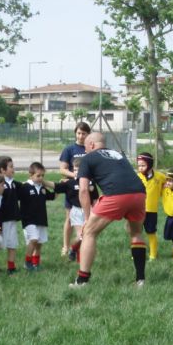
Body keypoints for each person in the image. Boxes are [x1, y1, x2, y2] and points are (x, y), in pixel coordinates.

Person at [71, 132, 147, 287]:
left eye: (85, 147)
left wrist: (87, 219)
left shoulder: (88, 158)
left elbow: (84, 190)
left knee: (89, 233)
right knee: (136, 233)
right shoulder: (118, 154)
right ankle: (140, 280)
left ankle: (82, 280)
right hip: (139, 193)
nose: (85, 151)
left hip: (116, 194)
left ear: (91, 145)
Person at [53, 157, 99, 262]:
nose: (76, 172)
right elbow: (56, 186)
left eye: (79, 169)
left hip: (90, 211)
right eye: (74, 169)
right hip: (76, 212)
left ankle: (75, 252)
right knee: (81, 236)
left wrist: (95, 211)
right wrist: (43, 182)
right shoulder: (70, 183)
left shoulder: (90, 183)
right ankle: (76, 254)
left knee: (87, 236)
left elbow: (95, 198)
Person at [59, 121, 90, 256]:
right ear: (75, 134)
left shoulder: (91, 149)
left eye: (84, 133)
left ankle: (82, 245)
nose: (81, 136)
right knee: (69, 218)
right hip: (73, 189)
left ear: (88, 134)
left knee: (88, 219)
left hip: (88, 188)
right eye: (78, 133)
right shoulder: (69, 149)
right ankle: (66, 247)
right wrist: (76, 176)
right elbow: (62, 169)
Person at [19, 162, 56, 270]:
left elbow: (52, 196)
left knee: (39, 243)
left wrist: (59, 188)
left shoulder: (43, 188)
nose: (41, 178)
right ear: (30, 175)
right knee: (34, 239)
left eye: (42, 176)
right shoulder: (24, 187)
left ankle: (36, 263)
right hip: (29, 220)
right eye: (38, 175)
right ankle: (27, 262)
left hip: (41, 219)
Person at [0, 156, 23, 275]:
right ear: (2, 170)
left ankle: (11, 267)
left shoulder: (14, 184)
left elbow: (25, 187)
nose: (13, 169)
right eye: (11, 167)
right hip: (0, 220)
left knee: (12, 244)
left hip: (13, 219)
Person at [136, 152, 166, 260]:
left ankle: (153, 255)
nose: (140, 168)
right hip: (138, 210)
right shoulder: (137, 177)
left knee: (151, 233)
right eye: (139, 165)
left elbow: (172, 181)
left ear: (149, 164)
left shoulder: (160, 176)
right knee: (137, 233)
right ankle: (137, 254)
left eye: (143, 165)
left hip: (151, 211)